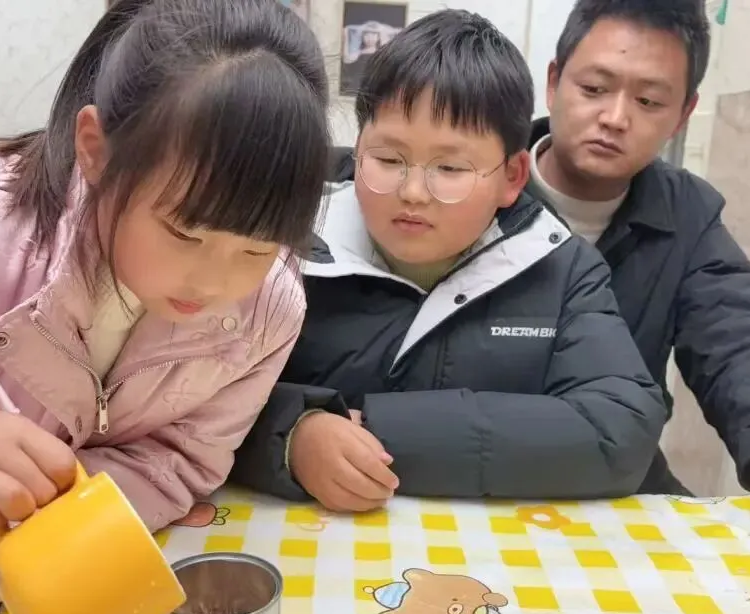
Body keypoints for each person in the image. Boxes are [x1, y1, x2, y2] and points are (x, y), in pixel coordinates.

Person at [0, 0, 329, 607]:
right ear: (95, 149)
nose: (214, 282)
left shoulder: (268, 310)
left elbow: (176, 465)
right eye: (184, 233)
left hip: (18, 602)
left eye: (258, 247)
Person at [230, 9, 668, 511]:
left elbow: (620, 427)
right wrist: (291, 435)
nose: (413, 191)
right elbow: (185, 393)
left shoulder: (562, 270)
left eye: (451, 168)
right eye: (388, 159)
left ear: (512, 177)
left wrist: (381, 432)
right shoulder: (282, 241)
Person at [522, 0, 750, 558]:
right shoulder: (473, 184)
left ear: (683, 114)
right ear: (553, 83)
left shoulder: (686, 214)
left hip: (619, 485)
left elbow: (742, 338)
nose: (615, 117)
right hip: (476, 477)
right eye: (594, 88)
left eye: (648, 101)